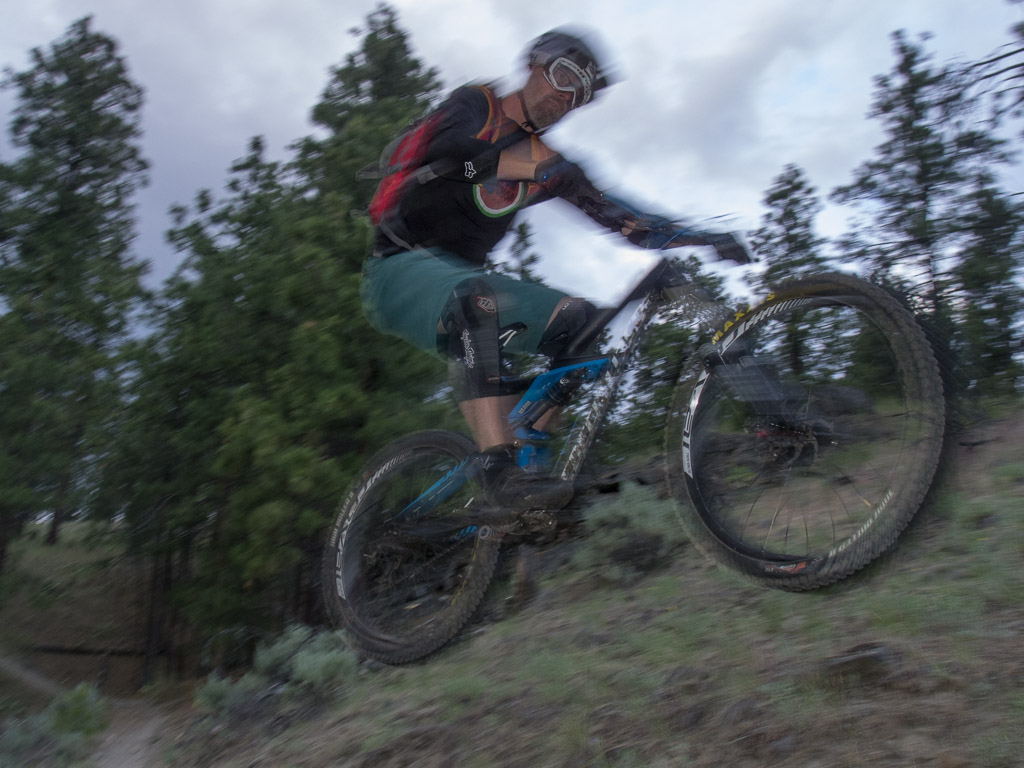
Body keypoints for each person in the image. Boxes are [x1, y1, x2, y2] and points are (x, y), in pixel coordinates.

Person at [360, 27, 747, 511]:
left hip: (459, 279)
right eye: (564, 78)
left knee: (581, 325)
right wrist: (534, 169)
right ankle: (500, 475)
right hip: (397, 271)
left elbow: (626, 222)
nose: (567, 97)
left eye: (580, 95)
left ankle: (529, 470)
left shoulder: (550, 165)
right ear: (533, 65)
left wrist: (703, 237)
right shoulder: (478, 105)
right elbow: (450, 158)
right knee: (476, 299)